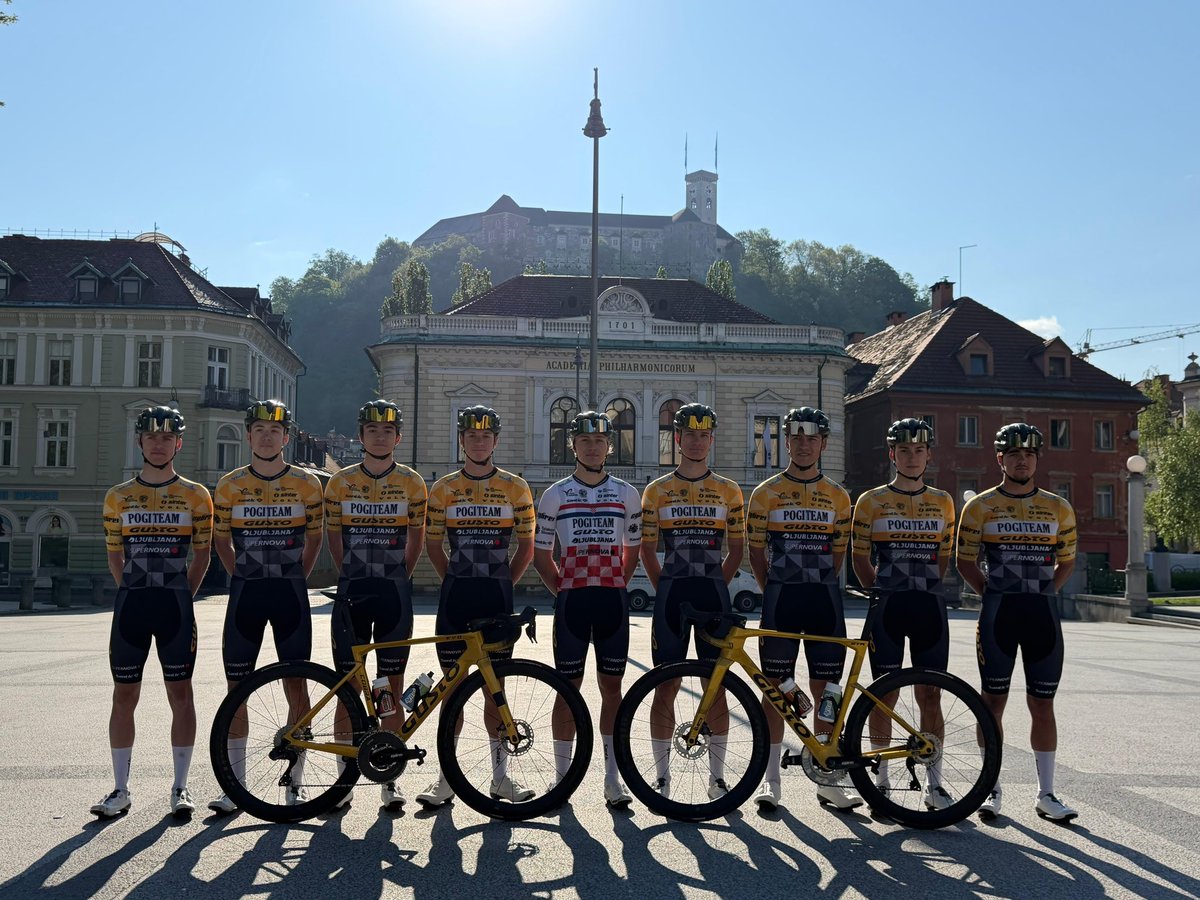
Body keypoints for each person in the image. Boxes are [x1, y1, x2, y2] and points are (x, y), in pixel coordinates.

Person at [93, 406, 212, 819]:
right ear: (140, 442)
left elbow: (203, 554)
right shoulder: (118, 496)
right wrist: (132, 587)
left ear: (178, 443)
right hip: (133, 605)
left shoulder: (197, 495)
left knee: (181, 693)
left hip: (174, 604)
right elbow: (114, 556)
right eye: (151, 438)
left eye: (167, 439)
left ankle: (180, 787)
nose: (159, 445)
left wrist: (183, 594)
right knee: (124, 694)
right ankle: (120, 789)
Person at [956, 422, 1079, 823]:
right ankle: (991, 788)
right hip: (999, 615)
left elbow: (1067, 561)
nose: (1021, 460)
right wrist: (991, 593)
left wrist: (1047, 592)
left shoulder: (1058, 507)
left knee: (1043, 704)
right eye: (1012, 454)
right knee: (992, 703)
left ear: (1037, 459)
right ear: (1000, 459)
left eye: (1027, 454)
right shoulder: (981, 507)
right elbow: (964, 561)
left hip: (1042, 615)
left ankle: (1047, 793)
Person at [415, 405, 536, 808]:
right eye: (471, 436)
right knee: (451, 692)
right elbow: (433, 545)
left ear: (495, 441)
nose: (478, 442)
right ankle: (446, 780)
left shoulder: (516, 487)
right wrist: (456, 577)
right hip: (456, 598)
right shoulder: (443, 488)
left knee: (494, 691)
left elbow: (527, 546)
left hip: (496, 598)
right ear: (462, 440)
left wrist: (504, 582)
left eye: (486, 437)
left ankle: (501, 779)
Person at [208, 399, 325, 814]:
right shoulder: (229, 485)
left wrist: (298, 574)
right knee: (237, 687)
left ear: (286, 437)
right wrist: (239, 572)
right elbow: (220, 540)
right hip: (247, 593)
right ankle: (235, 785)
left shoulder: (308, 484)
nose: (267, 436)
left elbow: (315, 537)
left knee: (297, 685)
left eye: (275, 431)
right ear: (249, 435)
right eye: (259, 430)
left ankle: (296, 781)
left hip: (289, 592)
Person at [746, 406, 859, 811]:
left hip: (824, 601)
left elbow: (839, 554)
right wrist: (772, 587)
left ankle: (826, 777)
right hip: (781, 600)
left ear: (824, 444)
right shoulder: (765, 493)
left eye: (813, 439)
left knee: (827, 690)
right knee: (775, 690)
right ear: (787, 443)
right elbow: (756, 552)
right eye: (797, 438)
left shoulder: (839, 496)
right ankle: (770, 779)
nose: (805, 445)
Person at [533, 410, 642, 808]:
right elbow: (541, 554)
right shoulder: (555, 494)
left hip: (611, 600)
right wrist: (561, 590)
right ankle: (563, 780)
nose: (592, 447)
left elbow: (632, 550)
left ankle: (612, 780)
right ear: (573, 446)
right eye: (584, 441)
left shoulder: (628, 493)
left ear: (608, 447)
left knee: (612, 690)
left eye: (599, 441)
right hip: (573, 602)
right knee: (567, 690)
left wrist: (617, 583)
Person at [323, 400, 427, 811]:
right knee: (348, 687)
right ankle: (343, 780)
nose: (380, 437)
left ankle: (389, 776)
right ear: (362, 437)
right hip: (352, 592)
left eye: (387, 432)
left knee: (389, 684)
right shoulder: (340, 482)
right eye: (372, 431)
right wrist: (348, 575)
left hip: (391, 594)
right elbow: (334, 538)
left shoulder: (413, 483)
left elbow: (415, 539)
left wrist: (398, 574)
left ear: (397, 437)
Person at [850, 417, 957, 810]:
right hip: (888, 606)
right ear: (892, 454)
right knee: (884, 695)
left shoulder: (943, 501)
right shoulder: (871, 500)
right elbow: (860, 559)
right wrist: (882, 589)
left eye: (919, 450)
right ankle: (880, 779)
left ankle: (935, 783)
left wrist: (920, 586)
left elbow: (943, 558)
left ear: (929, 454)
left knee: (931, 695)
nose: (912, 458)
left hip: (928, 605)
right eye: (904, 450)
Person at [641, 402, 744, 800]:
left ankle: (717, 777)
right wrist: (664, 585)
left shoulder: (729, 490)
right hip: (672, 594)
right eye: (690, 435)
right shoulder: (658, 490)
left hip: (711, 594)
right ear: (678, 439)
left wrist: (719, 584)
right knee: (665, 684)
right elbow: (649, 550)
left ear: (711, 439)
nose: (697, 441)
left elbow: (736, 550)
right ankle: (662, 775)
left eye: (704, 435)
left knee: (714, 686)